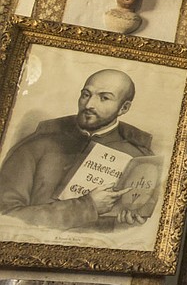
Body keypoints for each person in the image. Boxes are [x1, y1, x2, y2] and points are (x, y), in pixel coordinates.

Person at [0, 69, 154, 230]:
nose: (89, 105)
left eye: (104, 98)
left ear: (124, 108)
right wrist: (86, 207)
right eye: (86, 95)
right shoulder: (36, 146)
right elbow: (5, 216)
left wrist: (130, 224)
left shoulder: (138, 158)